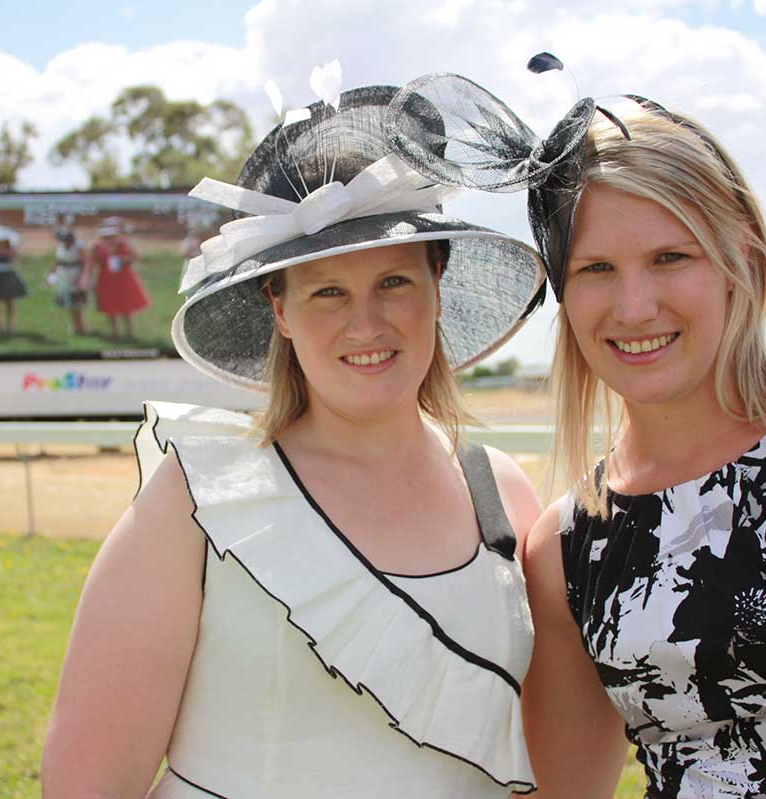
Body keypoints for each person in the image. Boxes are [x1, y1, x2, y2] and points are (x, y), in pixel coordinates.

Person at [390, 69, 766, 798]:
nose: (635, 305)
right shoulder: (567, 550)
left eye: (669, 257)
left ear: (740, 254)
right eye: (597, 269)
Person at [41, 83, 549, 799]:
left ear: (438, 281)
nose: (366, 324)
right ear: (279, 309)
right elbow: (86, 785)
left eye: (394, 281)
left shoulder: (505, 497)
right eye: (327, 292)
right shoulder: (198, 498)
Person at [86, 216, 150, 339]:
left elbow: (135, 256)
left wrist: (122, 260)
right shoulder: (96, 247)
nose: (109, 238)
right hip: (106, 281)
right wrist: (90, 281)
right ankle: (115, 332)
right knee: (110, 307)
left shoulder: (124, 244)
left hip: (124, 280)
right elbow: (92, 265)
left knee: (127, 306)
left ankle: (130, 332)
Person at [49, 226, 88, 336]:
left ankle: (82, 325)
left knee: (78, 303)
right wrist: (52, 273)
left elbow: (84, 263)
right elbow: (59, 261)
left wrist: (81, 279)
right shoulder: (61, 246)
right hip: (65, 275)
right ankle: (75, 325)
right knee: (70, 302)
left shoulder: (79, 246)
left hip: (76, 274)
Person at [0, 226, 26, 335]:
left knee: (10, 303)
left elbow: (15, 261)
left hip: (8, 278)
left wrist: (10, 253)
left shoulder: (10, 251)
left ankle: (11, 326)